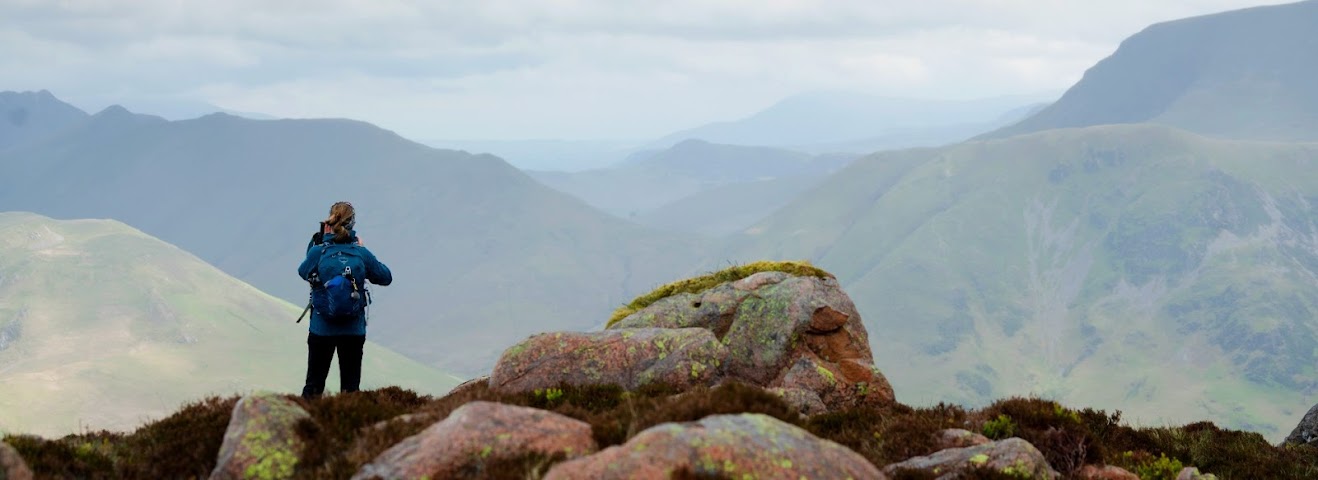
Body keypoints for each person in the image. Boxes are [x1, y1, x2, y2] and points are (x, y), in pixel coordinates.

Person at [297, 201, 392, 399]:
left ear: (329, 222)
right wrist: (362, 250)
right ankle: (349, 426)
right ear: (352, 223)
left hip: (321, 328)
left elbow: (303, 271)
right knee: (350, 388)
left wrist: (317, 243)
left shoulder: (318, 251)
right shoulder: (360, 253)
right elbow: (385, 277)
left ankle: (304, 428)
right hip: (353, 330)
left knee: (314, 386)